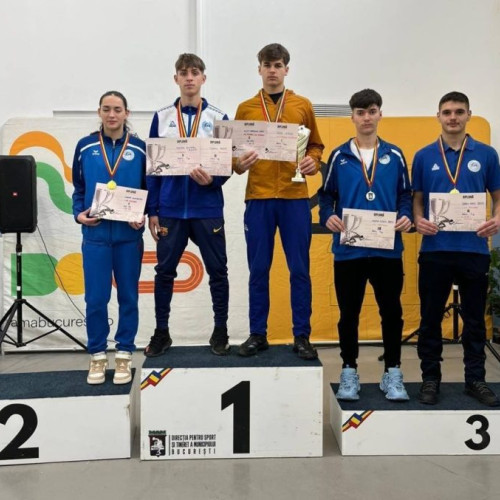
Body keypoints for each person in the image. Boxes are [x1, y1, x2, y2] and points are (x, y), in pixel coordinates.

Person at [318, 89, 412, 401]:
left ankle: (393, 372)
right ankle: (349, 371)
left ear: (380, 114)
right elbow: (326, 195)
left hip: (387, 249)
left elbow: (405, 195)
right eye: (360, 112)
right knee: (349, 314)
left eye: (372, 111)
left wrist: (406, 215)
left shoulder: (395, 155)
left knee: (392, 312)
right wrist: (328, 215)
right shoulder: (339, 156)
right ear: (352, 117)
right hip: (349, 251)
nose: (366, 117)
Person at [233, 43, 324, 359]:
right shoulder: (245, 109)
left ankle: (302, 335)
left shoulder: (302, 105)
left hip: (294, 197)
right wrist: (238, 164)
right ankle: (258, 334)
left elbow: (315, 146)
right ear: (259, 69)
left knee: (299, 269)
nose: (272, 71)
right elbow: (233, 155)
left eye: (278, 65)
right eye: (267, 65)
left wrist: (313, 161)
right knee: (258, 269)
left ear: (287, 69)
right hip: (258, 198)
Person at [413, 91, 500, 406]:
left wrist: (497, 219)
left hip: (474, 249)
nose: (453, 117)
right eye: (447, 112)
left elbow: (498, 196)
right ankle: (430, 379)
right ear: (438, 116)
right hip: (435, 249)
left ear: (468, 115)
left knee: (475, 320)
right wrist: (418, 220)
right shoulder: (423, 156)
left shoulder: (487, 154)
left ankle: (475, 379)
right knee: (430, 318)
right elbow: (417, 199)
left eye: (459, 112)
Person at [144, 53, 230, 357]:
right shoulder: (162, 117)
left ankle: (220, 330)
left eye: (195, 72)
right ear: (176, 79)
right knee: (164, 272)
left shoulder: (219, 117)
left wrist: (213, 181)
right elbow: (152, 168)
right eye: (184, 73)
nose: (189, 77)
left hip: (207, 209)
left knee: (218, 271)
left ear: (203, 78)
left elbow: (226, 165)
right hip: (170, 210)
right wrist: (153, 210)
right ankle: (161, 332)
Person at [72, 90, 146, 385]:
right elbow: (79, 188)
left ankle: (125, 353)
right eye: (106, 109)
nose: (112, 114)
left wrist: (143, 215)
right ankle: (98, 356)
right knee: (96, 299)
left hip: (128, 237)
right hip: (96, 236)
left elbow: (148, 189)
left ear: (127, 113)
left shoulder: (140, 148)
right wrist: (78, 214)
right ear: (99, 112)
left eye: (117, 109)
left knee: (128, 297)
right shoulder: (85, 146)